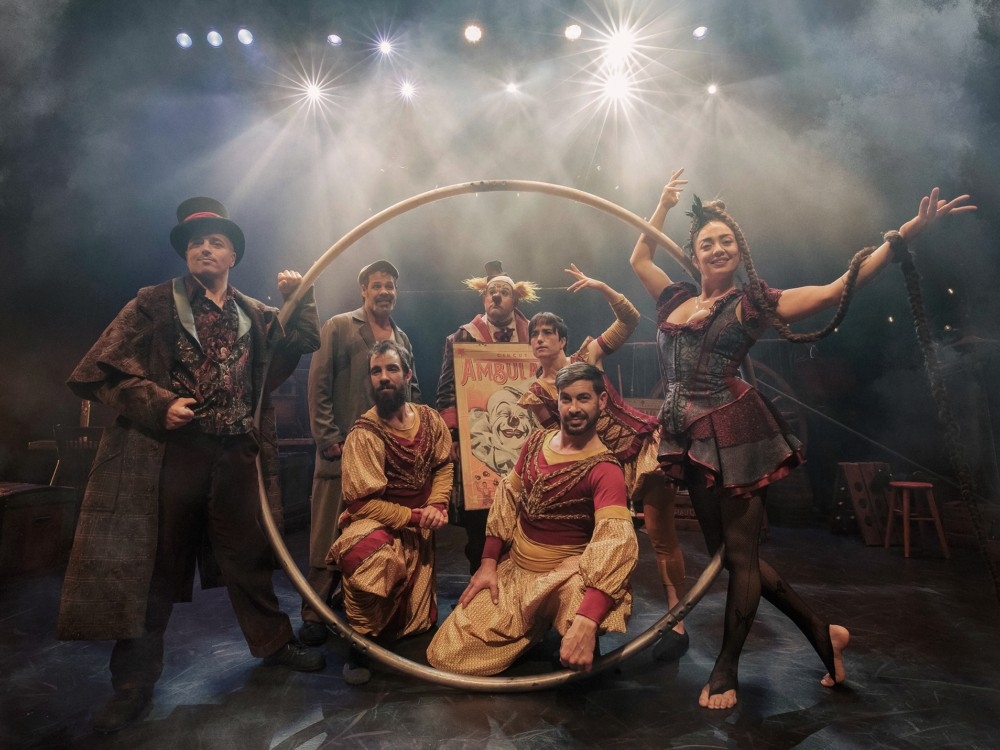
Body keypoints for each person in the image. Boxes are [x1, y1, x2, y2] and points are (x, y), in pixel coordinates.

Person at [630, 169, 975, 709]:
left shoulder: (752, 304)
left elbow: (838, 288)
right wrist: (662, 206)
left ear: (739, 251)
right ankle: (823, 632)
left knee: (740, 558)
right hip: (689, 437)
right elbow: (639, 258)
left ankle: (726, 669)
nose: (718, 248)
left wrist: (905, 234)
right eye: (707, 243)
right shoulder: (673, 299)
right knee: (728, 556)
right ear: (694, 256)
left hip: (737, 434)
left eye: (726, 241)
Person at [57, 196, 325, 733]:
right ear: (186, 253)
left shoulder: (255, 314)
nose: (204, 248)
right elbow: (100, 372)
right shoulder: (153, 304)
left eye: (216, 242)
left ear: (232, 256)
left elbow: (301, 341)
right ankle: (133, 684)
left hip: (236, 454)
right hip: (172, 453)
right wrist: (158, 404)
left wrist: (299, 298)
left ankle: (275, 644)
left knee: (249, 555)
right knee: (153, 564)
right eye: (196, 242)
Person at [518, 264, 690, 661]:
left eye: (547, 332)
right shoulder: (537, 394)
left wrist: (601, 286)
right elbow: (556, 442)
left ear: (562, 339)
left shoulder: (588, 354)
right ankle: (576, 620)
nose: (540, 339)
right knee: (595, 544)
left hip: (642, 450)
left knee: (660, 535)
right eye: (534, 334)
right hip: (598, 470)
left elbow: (629, 319)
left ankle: (677, 620)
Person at [427, 362, 639, 676]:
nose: (574, 408)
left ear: (602, 401)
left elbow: (616, 540)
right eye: (566, 399)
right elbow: (507, 499)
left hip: (566, 579)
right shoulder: (537, 441)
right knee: (447, 654)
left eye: (583, 398)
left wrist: (587, 619)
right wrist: (488, 563)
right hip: (517, 572)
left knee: (581, 621)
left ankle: (577, 634)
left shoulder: (605, 469)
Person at [300, 260, 421, 647]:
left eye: (390, 285)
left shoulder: (401, 338)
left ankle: (360, 604)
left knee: (372, 532)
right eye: (377, 285)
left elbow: (412, 391)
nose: (384, 291)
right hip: (343, 448)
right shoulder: (339, 326)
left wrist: (413, 438)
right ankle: (314, 611)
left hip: (388, 456)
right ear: (364, 290)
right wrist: (327, 436)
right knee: (327, 530)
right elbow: (318, 383)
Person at [326, 340, 453, 684]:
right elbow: (361, 504)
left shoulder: (430, 420)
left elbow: (443, 465)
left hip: (419, 529)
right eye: (376, 371)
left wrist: (437, 504)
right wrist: (416, 517)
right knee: (368, 554)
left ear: (407, 375)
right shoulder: (364, 433)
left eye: (392, 369)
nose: (383, 377)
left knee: (418, 625)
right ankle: (359, 641)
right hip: (376, 523)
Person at [435, 260, 539, 573]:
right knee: (479, 531)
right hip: (480, 449)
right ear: (483, 298)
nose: (496, 296)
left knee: (526, 525)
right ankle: (481, 589)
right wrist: (453, 435)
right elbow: (447, 391)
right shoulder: (462, 338)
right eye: (492, 292)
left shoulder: (535, 336)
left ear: (515, 299)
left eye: (504, 292)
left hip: (527, 446)